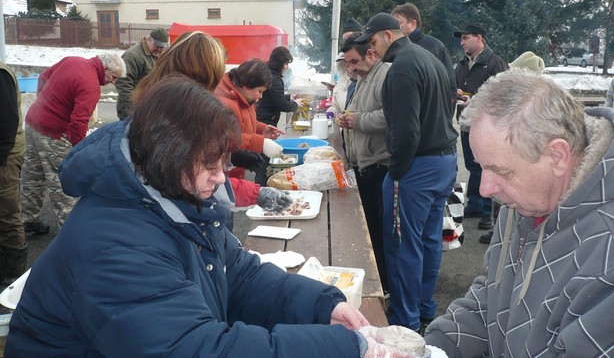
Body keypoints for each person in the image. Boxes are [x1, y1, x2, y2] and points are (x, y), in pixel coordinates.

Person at [5, 77, 415, 358]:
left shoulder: (175, 197)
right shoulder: (115, 247)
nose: (222, 178)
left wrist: (322, 307)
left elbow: (237, 275)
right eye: (211, 165)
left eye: (223, 161)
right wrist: (342, 348)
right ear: (169, 158)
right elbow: (200, 350)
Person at [425, 68, 614, 357]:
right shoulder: (523, 201)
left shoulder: (606, 248)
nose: (486, 188)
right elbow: (492, 296)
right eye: (481, 166)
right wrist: (432, 348)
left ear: (558, 156)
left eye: (500, 171)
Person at [356, 12, 458, 333]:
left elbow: (405, 130)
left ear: (389, 34)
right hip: (444, 160)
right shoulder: (429, 58)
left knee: (403, 245)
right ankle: (425, 307)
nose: (373, 50)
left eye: (373, 42)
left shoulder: (401, 68)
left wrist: (396, 172)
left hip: (417, 166)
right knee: (428, 239)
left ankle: (405, 319)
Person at [132, 31, 273, 208]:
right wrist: (255, 193)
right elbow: (193, 181)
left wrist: (232, 158)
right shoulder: (182, 109)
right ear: (203, 74)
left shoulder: (155, 99)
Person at [20, 53, 126, 235]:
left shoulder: (72, 60)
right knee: (61, 180)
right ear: (105, 68)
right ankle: (70, 231)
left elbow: (44, 76)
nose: (112, 83)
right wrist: (79, 151)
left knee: (32, 174)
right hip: (54, 134)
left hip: (32, 123)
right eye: (113, 77)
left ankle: (28, 219)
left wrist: (43, 104)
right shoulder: (91, 85)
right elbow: (79, 122)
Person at [337, 35, 391, 293]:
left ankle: (383, 286)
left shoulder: (386, 74)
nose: (352, 68)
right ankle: (375, 280)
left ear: (371, 53)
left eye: (354, 61)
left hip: (380, 165)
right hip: (365, 165)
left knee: (381, 234)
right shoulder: (364, 78)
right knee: (369, 228)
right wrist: (345, 118)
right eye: (348, 63)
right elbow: (357, 111)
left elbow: (389, 117)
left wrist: (356, 120)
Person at [479, 50, 545, 245]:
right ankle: (500, 230)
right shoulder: (530, 95)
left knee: (508, 199)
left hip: (518, 161)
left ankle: (502, 232)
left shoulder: (531, 99)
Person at [454, 23, 508, 232]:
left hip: (487, 125)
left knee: (485, 167)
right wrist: (457, 93)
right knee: (471, 166)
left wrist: (475, 101)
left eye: (466, 38)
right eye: (461, 39)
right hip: (467, 123)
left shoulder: (495, 63)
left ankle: (487, 213)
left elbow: (503, 95)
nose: (462, 42)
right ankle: (475, 205)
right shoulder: (461, 64)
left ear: (480, 38)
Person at [214, 59, 284, 182]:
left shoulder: (245, 98)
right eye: (260, 91)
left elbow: (244, 122)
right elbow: (226, 137)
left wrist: (262, 129)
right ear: (246, 84)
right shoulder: (225, 104)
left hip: (237, 171)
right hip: (223, 176)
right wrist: (260, 143)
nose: (261, 96)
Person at [391, 3, 456, 108]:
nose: (394, 29)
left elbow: (450, 87)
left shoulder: (436, 47)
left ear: (413, 23)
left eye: (398, 24)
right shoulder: (394, 50)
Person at [0, 61, 28, 285]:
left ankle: (13, 278)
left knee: (6, 213)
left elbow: (7, 124)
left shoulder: (0, 75)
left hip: (5, 155)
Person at [115, 27, 169, 120]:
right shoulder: (132, 55)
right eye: (157, 46)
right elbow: (123, 83)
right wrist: (134, 107)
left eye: (162, 47)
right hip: (133, 111)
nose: (160, 50)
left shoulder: (158, 55)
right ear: (149, 40)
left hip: (149, 108)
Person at [256, 46, 305, 127]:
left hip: (261, 118)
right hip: (265, 121)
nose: (287, 67)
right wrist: (296, 104)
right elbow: (281, 105)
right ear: (279, 63)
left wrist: (289, 97)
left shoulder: (269, 73)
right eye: (286, 64)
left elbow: (274, 98)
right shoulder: (274, 79)